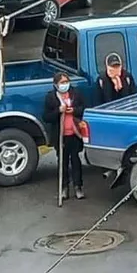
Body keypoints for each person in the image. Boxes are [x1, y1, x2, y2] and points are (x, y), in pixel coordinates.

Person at [43, 73, 87, 201]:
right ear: (56, 84)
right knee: (63, 162)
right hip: (60, 136)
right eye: (62, 82)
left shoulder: (76, 94)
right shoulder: (51, 97)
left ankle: (78, 187)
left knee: (76, 161)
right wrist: (58, 111)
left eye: (66, 81)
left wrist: (74, 110)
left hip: (74, 134)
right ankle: (64, 188)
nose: (65, 84)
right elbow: (46, 117)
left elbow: (84, 108)